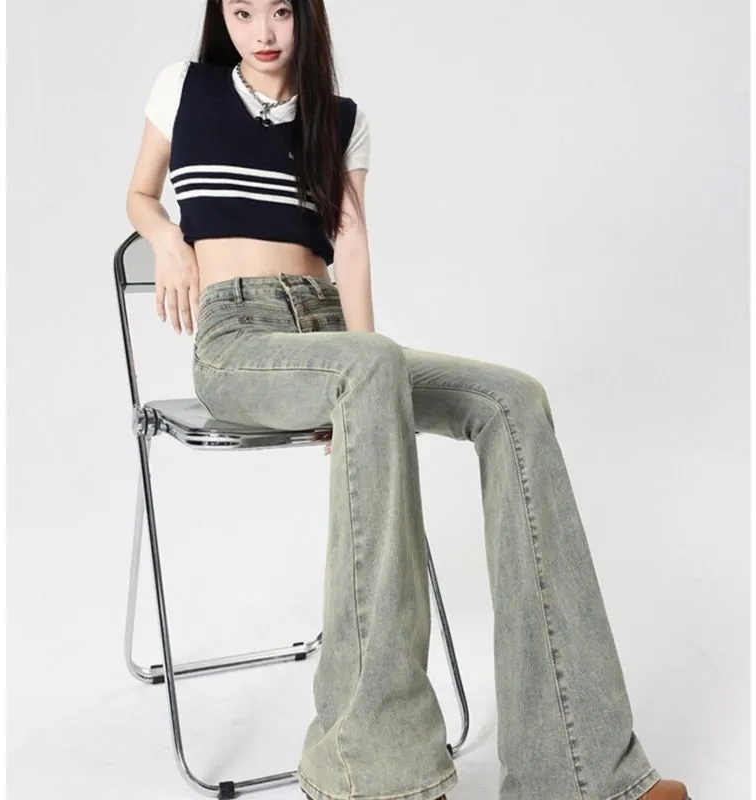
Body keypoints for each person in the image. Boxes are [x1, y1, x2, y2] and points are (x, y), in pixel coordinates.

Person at [125, 2, 692, 799]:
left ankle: (578, 768)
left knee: (511, 399)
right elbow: (140, 194)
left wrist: (364, 377)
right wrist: (167, 241)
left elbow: (351, 246)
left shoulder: (340, 119)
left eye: (281, 11)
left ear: (306, 16)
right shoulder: (184, 88)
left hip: (330, 332)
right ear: (223, 14)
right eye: (243, 11)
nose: (263, 32)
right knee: (370, 368)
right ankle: (373, 770)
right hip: (237, 342)